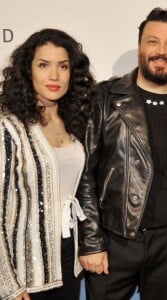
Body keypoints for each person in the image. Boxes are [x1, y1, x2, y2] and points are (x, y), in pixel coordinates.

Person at [76, 7, 167, 300]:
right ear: (140, 46)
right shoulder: (105, 98)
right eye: (153, 41)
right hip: (114, 241)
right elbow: (85, 175)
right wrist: (92, 241)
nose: (162, 51)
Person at [0, 28, 95, 300]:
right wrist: (9, 284)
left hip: (67, 261)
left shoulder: (74, 122)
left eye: (62, 66)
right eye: (44, 65)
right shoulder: (9, 127)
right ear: (28, 71)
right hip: (24, 273)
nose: (54, 76)